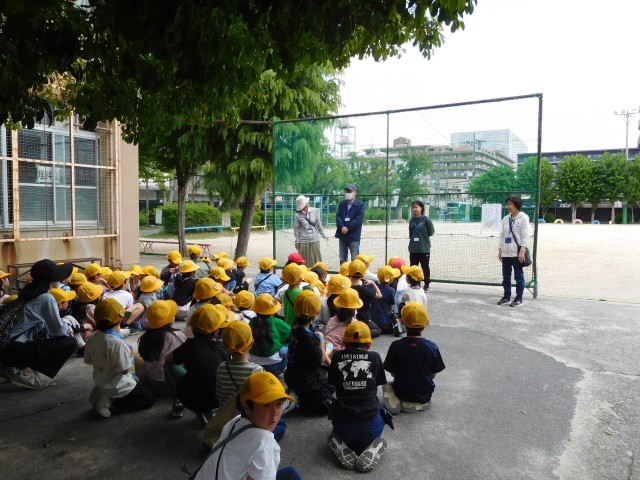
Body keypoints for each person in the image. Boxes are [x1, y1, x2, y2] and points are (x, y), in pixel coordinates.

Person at [193, 371, 301, 480]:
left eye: (279, 404)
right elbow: (262, 444)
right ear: (247, 407)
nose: (275, 413)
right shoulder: (266, 445)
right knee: (293, 475)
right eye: (266, 405)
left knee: (279, 425)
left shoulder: (234, 421)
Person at [0, 259, 78, 389]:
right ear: (51, 279)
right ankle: (30, 375)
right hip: (13, 350)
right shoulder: (46, 298)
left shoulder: (28, 292)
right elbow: (57, 331)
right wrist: (70, 328)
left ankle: (11, 367)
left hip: (6, 348)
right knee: (70, 343)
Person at [327, 320, 387, 473]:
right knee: (380, 409)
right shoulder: (375, 357)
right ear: (369, 344)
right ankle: (371, 446)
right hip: (371, 428)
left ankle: (343, 443)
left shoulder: (337, 357)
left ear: (344, 343)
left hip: (343, 427)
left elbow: (332, 384)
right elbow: (378, 384)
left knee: (337, 415)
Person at [84, 298, 156, 418]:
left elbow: (89, 360)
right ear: (120, 319)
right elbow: (125, 370)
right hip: (119, 385)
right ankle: (111, 402)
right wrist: (129, 355)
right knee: (149, 398)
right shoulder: (116, 343)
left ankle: (102, 392)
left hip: (101, 379)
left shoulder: (93, 336)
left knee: (141, 389)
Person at [165, 304, 228, 424]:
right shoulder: (222, 347)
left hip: (192, 398)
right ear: (216, 331)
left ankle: (178, 400)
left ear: (192, 328)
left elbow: (168, 358)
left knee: (169, 364)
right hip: (222, 398)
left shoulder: (189, 346)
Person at [383, 302, 445, 414]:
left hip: (402, 392)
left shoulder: (396, 346)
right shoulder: (432, 347)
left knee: (388, 384)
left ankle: (398, 401)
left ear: (402, 321)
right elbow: (433, 375)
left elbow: (393, 373)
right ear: (427, 322)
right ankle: (419, 404)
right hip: (424, 395)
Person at [285, 290, 334, 413]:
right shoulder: (308, 338)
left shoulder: (295, 326)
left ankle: (300, 395)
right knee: (330, 406)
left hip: (293, 373)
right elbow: (321, 360)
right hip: (305, 379)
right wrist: (322, 340)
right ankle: (297, 401)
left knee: (332, 386)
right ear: (316, 312)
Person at [135, 300, 186, 408]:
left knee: (137, 358)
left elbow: (144, 357)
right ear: (170, 320)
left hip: (153, 385)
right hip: (175, 384)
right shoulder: (179, 335)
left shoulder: (145, 339)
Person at [498, 195, 530, 307]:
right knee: (506, 276)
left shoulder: (523, 218)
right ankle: (506, 297)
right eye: (507, 204)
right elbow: (502, 235)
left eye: (510, 204)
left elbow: (525, 236)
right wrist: (500, 250)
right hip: (506, 252)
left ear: (516, 205)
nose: (508, 206)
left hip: (517, 252)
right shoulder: (505, 219)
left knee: (518, 277)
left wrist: (522, 251)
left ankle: (519, 299)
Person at [249, 294, 291, 377]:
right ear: (273, 311)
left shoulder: (252, 322)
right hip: (276, 367)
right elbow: (290, 335)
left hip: (254, 364)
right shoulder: (277, 322)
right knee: (287, 348)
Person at [408, 200, 436, 293]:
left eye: (416, 207)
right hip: (413, 248)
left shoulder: (426, 220)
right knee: (413, 267)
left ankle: (426, 284)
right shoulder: (412, 220)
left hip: (424, 248)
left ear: (421, 208)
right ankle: (414, 283)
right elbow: (411, 233)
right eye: (413, 207)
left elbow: (431, 232)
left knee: (425, 267)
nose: (414, 209)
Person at [293, 195, 329, 265]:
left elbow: (318, 224)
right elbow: (296, 229)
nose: (308, 204)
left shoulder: (315, 211)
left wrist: (323, 234)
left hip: (314, 239)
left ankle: (316, 271)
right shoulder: (298, 215)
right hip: (303, 240)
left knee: (316, 259)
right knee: (304, 260)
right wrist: (297, 241)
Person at [335, 184, 365, 264]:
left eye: (350, 191)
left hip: (353, 236)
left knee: (355, 260)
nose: (347, 193)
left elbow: (358, 220)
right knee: (342, 258)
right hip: (342, 235)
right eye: (346, 191)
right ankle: (343, 271)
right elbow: (338, 217)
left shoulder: (360, 205)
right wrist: (342, 227)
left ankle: (354, 272)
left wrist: (348, 228)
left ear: (355, 193)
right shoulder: (342, 204)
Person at [371, 266, 401, 335]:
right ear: (391, 280)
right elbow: (391, 307)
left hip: (374, 320)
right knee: (402, 327)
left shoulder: (373, 287)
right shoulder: (391, 290)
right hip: (385, 322)